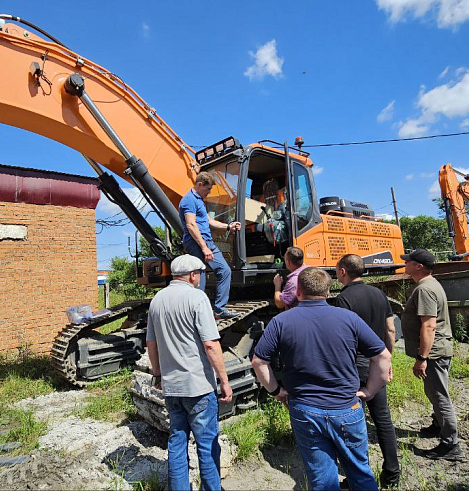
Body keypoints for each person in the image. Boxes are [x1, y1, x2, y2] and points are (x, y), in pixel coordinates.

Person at [251, 267, 392, 491]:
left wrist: (276, 392)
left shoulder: (281, 321)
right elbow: (383, 357)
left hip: (306, 410)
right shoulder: (349, 319)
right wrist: (371, 390)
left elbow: (259, 362)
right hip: (347, 407)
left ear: (297, 291)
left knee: (322, 480)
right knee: (360, 473)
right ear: (328, 292)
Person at [146, 254, 234, 491]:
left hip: (172, 388)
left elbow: (151, 344)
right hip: (198, 387)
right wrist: (224, 381)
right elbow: (210, 345)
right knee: (206, 445)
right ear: (193, 275)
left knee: (177, 440)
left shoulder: (157, 299)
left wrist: (157, 375)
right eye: (201, 274)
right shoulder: (197, 298)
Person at [331, 254, 400, 489]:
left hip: (354, 369)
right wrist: (387, 359)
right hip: (376, 364)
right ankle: (392, 473)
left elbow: (343, 339)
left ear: (342, 272)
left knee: (354, 424)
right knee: (383, 419)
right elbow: (390, 329)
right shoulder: (379, 294)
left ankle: (358, 477)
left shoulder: (343, 299)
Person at [400, 248, 463, 461]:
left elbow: (429, 326)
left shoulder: (425, 289)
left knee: (439, 395)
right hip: (436, 351)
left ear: (418, 266)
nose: (405, 264)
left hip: (434, 353)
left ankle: (450, 444)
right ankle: (438, 426)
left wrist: (422, 358)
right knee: (434, 392)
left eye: (408, 261)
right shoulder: (429, 284)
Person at [179, 171, 241, 320]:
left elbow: (210, 222)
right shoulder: (189, 200)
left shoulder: (199, 200)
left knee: (224, 270)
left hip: (207, 241)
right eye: (208, 189)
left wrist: (228, 226)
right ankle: (196, 314)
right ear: (200, 184)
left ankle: (219, 309)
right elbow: (191, 224)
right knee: (200, 277)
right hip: (196, 242)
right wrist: (204, 247)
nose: (209, 192)